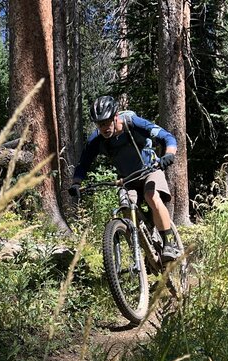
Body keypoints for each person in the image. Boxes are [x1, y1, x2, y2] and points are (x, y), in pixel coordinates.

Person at [69, 95, 181, 261]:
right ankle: (144, 253)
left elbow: (168, 137)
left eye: (107, 122)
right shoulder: (96, 139)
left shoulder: (133, 123)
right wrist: (76, 183)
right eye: (100, 124)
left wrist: (169, 155)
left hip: (150, 170)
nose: (104, 128)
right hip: (127, 179)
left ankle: (169, 243)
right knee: (126, 208)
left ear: (115, 117)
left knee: (151, 196)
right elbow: (83, 163)